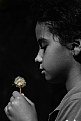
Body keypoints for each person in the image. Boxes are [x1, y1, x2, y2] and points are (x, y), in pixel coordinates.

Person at [4, 0, 81, 121]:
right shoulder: (72, 103)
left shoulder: (77, 104)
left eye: (44, 47)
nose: (37, 58)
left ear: (75, 46)